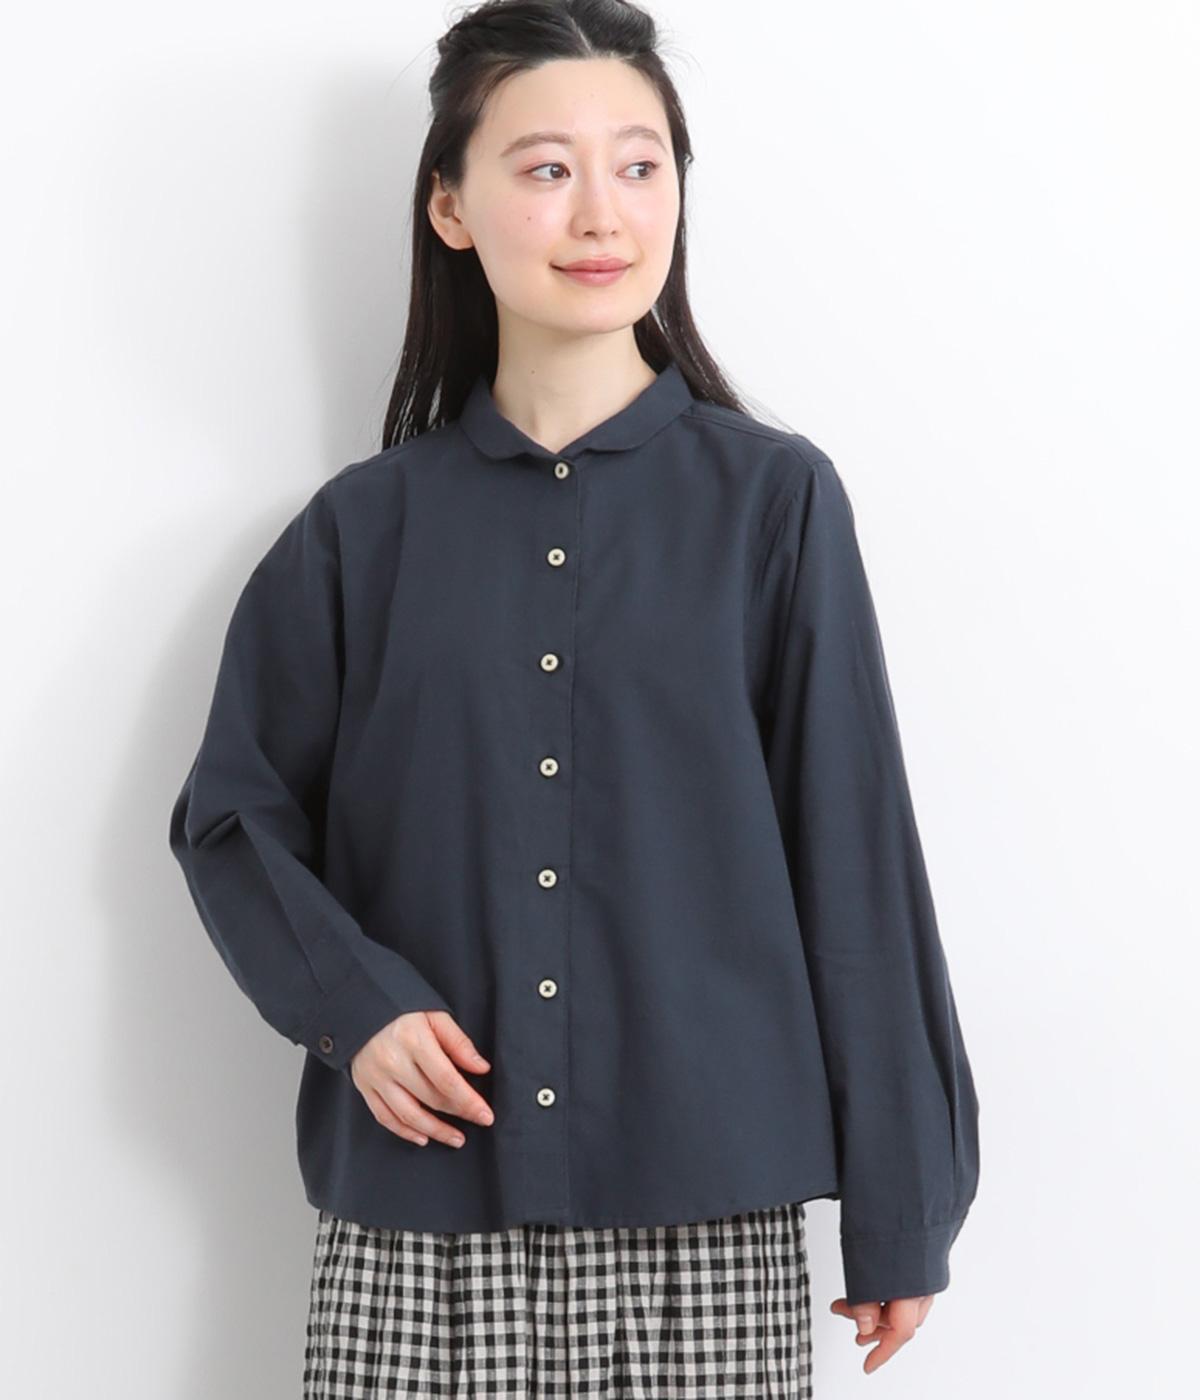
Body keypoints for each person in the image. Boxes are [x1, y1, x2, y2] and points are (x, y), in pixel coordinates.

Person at [168, 1, 980, 1394]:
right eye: (547, 168)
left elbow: (855, 857)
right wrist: (354, 1006)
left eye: (641, 164)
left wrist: (900, 1203)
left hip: (706, 1227)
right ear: (450, 205)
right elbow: (231, 819)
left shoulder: (773, 505)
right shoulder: (359, 534)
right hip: (421, 1224)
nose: (603, 211)